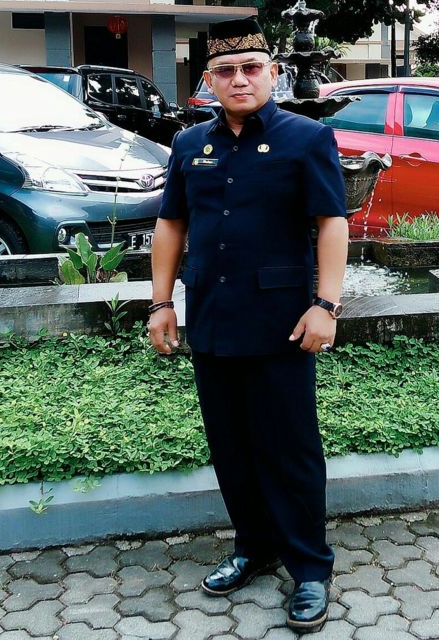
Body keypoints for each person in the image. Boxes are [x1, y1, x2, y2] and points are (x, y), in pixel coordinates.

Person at [148, 16, 348, 631]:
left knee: (290, 448)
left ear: (273, 73)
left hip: (282, 322)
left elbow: (331, 222)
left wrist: (326, 305)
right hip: (212, 316)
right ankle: (254, 548)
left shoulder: (307, 138)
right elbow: (171, 224)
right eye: (226, 70)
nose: (239, 79)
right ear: (209, 80)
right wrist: (160, 302)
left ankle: (309, 567)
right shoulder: (189, 145)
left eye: (251, 68)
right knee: (231, 447)